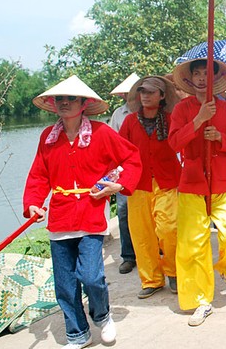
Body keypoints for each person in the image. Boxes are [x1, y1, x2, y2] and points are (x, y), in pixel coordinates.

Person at [23, 75, 142, 349]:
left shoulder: (101, 132)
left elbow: (131, 158)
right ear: (53, 104)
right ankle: (78, 333)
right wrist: (33, 203)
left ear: (84, 103)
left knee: (91, 276)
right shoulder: (48, 137)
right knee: (65, 283)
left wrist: (117, 185)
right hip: (60, 217)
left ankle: (102, 314)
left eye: (71, 99)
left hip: (90, 213)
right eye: (60, 99)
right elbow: (39, 175)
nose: (64, 103)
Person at [168, 58, 226, 326]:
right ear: (190, 80)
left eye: (206, 74)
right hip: (192, 182)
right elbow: (175, 142)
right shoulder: (181, 109)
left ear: (216, 78)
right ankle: (201, 299)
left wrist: (220, 140)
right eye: (197, 74)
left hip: (223, 181)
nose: (202, 78)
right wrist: (198, 120)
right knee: (192, 244)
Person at [119, 76, 181, 299]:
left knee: (169, 229)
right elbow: (119, 152)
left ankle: (173, 271)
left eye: (151, 92)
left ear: (162, 96)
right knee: (142, 234)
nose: (145, 95)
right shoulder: (129, 122)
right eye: (142, 91)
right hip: (139, 184)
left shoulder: (172, 119)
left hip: (168, 181)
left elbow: (182, 143)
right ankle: (152, 279)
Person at [108, 72, 140, 275]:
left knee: (156, 212)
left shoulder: (150, 112)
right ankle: (128, 256)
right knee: (124, 212)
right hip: (124, 169)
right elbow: (112, 144)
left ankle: (155, 250)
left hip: (148, 168)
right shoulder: (119, 114)